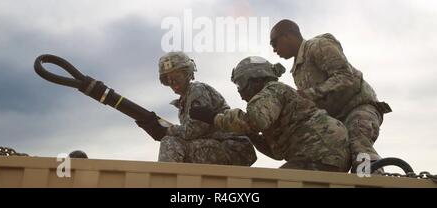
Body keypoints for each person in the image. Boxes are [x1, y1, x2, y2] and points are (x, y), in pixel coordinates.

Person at [190, 56, 351, 172]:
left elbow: (254, 121)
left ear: (255, 79)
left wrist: (212, 117)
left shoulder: (272, 90)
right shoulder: (274, 99)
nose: (239, 91)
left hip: (320, 152)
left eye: (241, 83)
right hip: (324, 154)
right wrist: (251, 135)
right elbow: (277, 153)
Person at [270, 19, 392, 171]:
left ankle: (374, 179)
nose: (274, 50)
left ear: (287, 36)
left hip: (359, 106)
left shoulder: (318, 46)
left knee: (358, 142)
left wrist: (309, 94)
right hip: (336, 119)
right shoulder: (297, 70)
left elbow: (346, 76)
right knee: (332, 155)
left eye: (274, 43)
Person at [136, 51, 257, 166]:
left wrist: (165, 131)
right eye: (167, 80)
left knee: (170, 143)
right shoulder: (184, 100)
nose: (173, 83)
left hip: (234, 148)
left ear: (188, 74)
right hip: (223, 146)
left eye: (176, 77)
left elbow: (194, 130)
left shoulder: (197, 90)